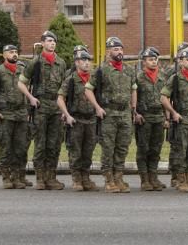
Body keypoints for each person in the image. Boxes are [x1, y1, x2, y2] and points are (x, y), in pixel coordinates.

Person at [84, 36, 137, 193]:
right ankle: (109, 179)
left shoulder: (128, 70)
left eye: (121, 49)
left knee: (122, 147)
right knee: (108, 148)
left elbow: (134, 89)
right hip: (109, 114)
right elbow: (88, 89)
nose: (119, 52)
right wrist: (97, 108)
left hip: (125, 114)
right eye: (115, 49)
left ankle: (118, 177)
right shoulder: (101, 70)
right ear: (108, 52)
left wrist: (133, 108)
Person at [19, 30, 68, 190]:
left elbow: (64, 87)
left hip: (56, 107)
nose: (52, 43)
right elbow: (21, 83)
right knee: (41, 143)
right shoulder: (35, 62)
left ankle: (51, 177)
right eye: (48, 41)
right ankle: (40, 178)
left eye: (54, 41)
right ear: (42, 43)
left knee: (54, 144)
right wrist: (31, 98)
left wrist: (63, 109)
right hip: (41, 106)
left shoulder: (61, 63)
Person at [0, 44, 29, 189]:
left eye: (16, 52)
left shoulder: (23, 70)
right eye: (11, 52)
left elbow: (29, 90)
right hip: (6, 114)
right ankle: (6, 177)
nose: (14, 54)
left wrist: (28, 110)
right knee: (6, 146)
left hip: (21, 114)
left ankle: (16, 177)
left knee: (20, 147)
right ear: (4, 55)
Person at [161, 48, 188, 193]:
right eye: (187, 60)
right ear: (181, 62)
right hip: (182, 118)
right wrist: (173, 113)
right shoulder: (175, 78)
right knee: (181, 150)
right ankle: (180, 180)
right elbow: (163, 97)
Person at [57, 49, 99, 191]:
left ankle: (85, 178)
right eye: (83, 60)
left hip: (91, 120)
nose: (87, 63)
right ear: (76, 62)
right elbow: (60, 98)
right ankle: (76, 179)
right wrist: (67, 115)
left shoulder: (94, 78)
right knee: (75, 151)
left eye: (88, 60)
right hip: (76, 120)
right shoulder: (71, 80)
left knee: (88, 151)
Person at [134, 47, 167, 191]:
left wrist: (167, 117)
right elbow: (133, 97)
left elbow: (167, 98)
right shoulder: (139, 78)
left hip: (159, 116)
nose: (153, 62)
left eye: (155, 59)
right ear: (144, 62)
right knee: (143, 148)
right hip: (144, 117)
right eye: (150, 60)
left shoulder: (162, 77)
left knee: (156, 148)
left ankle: (153, 176)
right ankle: (144, 179)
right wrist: (135, 113)